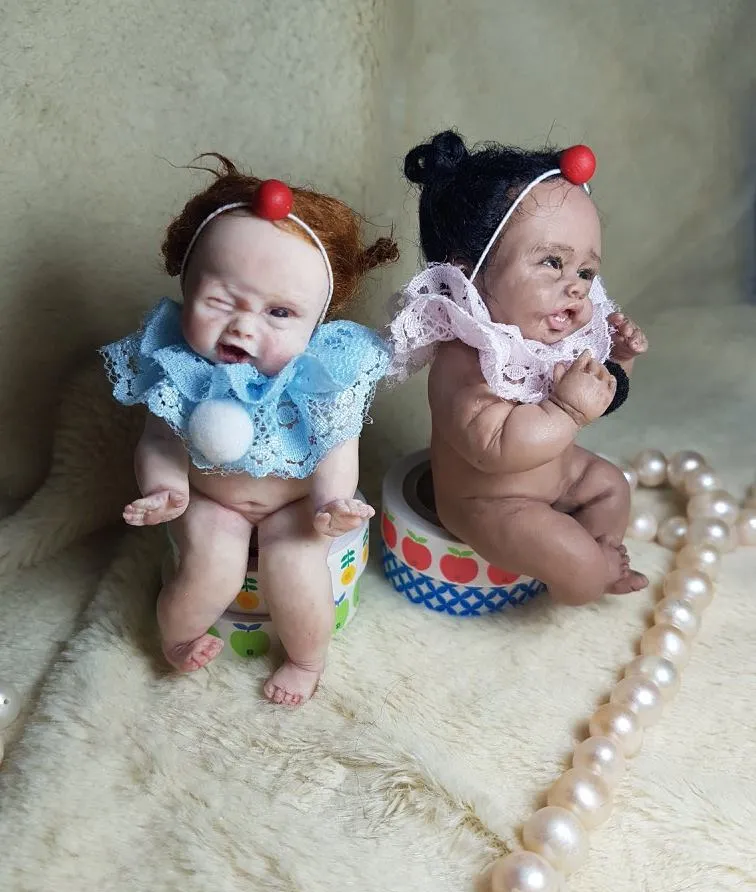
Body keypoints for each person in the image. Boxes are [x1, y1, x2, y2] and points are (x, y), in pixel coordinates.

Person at [102, 155, 398, 704]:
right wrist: (166, 489)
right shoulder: (179, 367)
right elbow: (160, 439)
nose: (244, 325)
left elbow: (337, 441)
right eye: (220, 301)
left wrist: (331, 502)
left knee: (294, 563)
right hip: (215, 500)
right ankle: (176, 638)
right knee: (212, 564)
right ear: (187, 286)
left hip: (294, 504)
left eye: (280, 313)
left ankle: (307, 660)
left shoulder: (318, 376)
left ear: (318, 322)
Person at [388, 131, 648, 605]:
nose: (576, 288)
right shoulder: (465, 357)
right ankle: (586, 577)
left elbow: (598, 394)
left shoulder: (555, 337)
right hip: (491, 501)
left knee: (610, 486)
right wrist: (568, 410)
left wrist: (618, 363)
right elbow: (494, 449)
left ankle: (602, 550)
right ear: (470, 273)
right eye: (553, 262)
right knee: (582, 570)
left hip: (562, 474)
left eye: (585, 273)